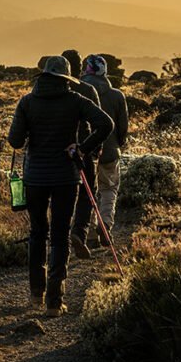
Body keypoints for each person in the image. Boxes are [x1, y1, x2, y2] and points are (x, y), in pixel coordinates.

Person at [7, 56, 113, 317]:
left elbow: (15, 141)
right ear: (66, 78)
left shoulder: (27, 102)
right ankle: (55, 302)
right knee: (60, 236)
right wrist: (82, 148)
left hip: (34, 178)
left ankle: (35, 294)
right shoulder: (75, 100)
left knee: (37, 233)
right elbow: (106, 124)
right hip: (66, 177)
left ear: (43, 76)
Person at [80, 55, 129, 247]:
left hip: (84, 151)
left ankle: (91, 234)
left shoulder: (77, 92)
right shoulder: (117, 95)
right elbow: (122, 125)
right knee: (109, 189)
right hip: (109, 151)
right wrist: (119, 143)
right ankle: (105, 224)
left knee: (87, 192)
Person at [61, 50, 102, 260]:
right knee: (87, 194)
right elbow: (101, 123)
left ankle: (60, 238)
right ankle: (79, 233)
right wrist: (92, 149)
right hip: (83, 149)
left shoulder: (51, 90)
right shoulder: (88, 90)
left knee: (60, 195)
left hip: (57, 152)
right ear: (79, 68)